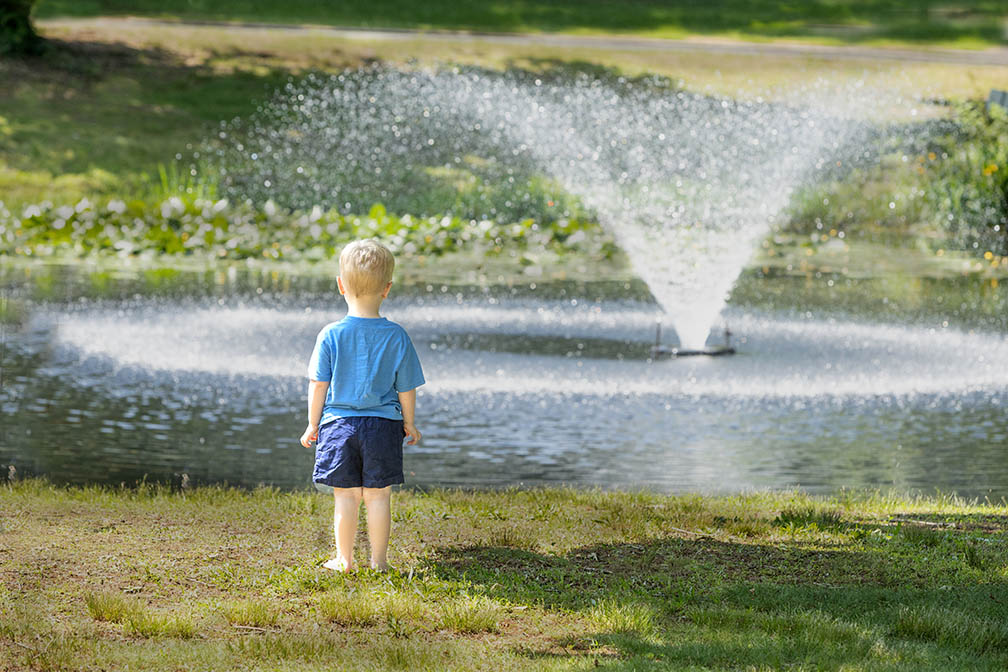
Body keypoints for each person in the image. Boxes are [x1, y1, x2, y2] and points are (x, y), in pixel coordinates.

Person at [299, 239, 424, 573]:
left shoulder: (330, 335)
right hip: (383, 427)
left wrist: (313, 424)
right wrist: (409, 422)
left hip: (338, 425)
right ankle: (380, 562)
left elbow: (318, 385)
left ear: (341, 285)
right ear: (387, 289)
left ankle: (345, 560)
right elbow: (406, 387)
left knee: (346, 496)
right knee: (379, 496)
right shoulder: (396, 336)